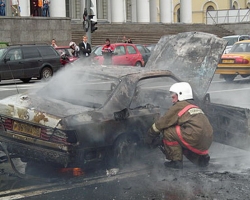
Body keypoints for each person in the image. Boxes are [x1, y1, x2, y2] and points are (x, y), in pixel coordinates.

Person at [145, 82, 213, 169]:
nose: (172, 101)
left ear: (181, 95)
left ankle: (175, 162)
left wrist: (149, 135)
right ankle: (201, 159)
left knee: (168, 131)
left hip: (194, 136)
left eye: (173, 97)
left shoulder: (179, 106)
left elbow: (162, 122)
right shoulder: (193, 106)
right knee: (180, 137)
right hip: (207, 139)